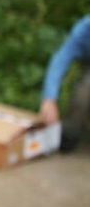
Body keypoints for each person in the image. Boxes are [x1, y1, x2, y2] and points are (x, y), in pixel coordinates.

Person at [39, 13, 90, 152]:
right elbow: (61, 59)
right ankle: (69, 135)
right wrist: (49, 98)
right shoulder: (84, 28)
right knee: (84, 93)